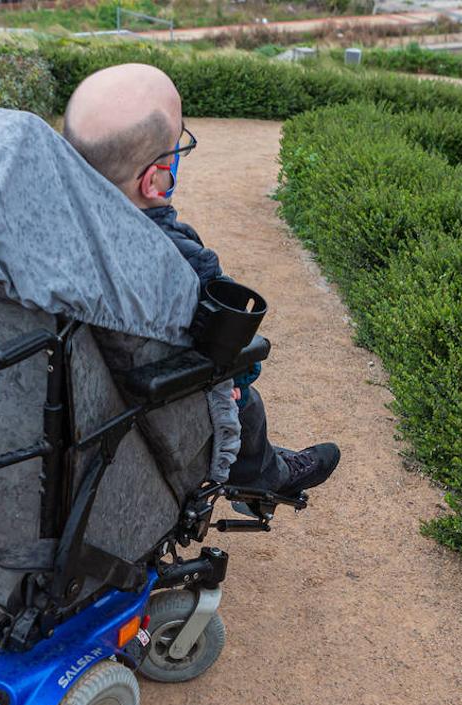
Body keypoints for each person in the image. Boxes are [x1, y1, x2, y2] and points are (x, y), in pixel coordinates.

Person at [62, 63, 340, 498]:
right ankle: (261, 472)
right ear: (155, 180)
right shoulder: (185, 262)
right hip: (151, 402)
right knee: (241, 388)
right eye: (178, 147)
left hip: (69, 400)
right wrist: (235, 379)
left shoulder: (39, 233)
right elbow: (238, 358)